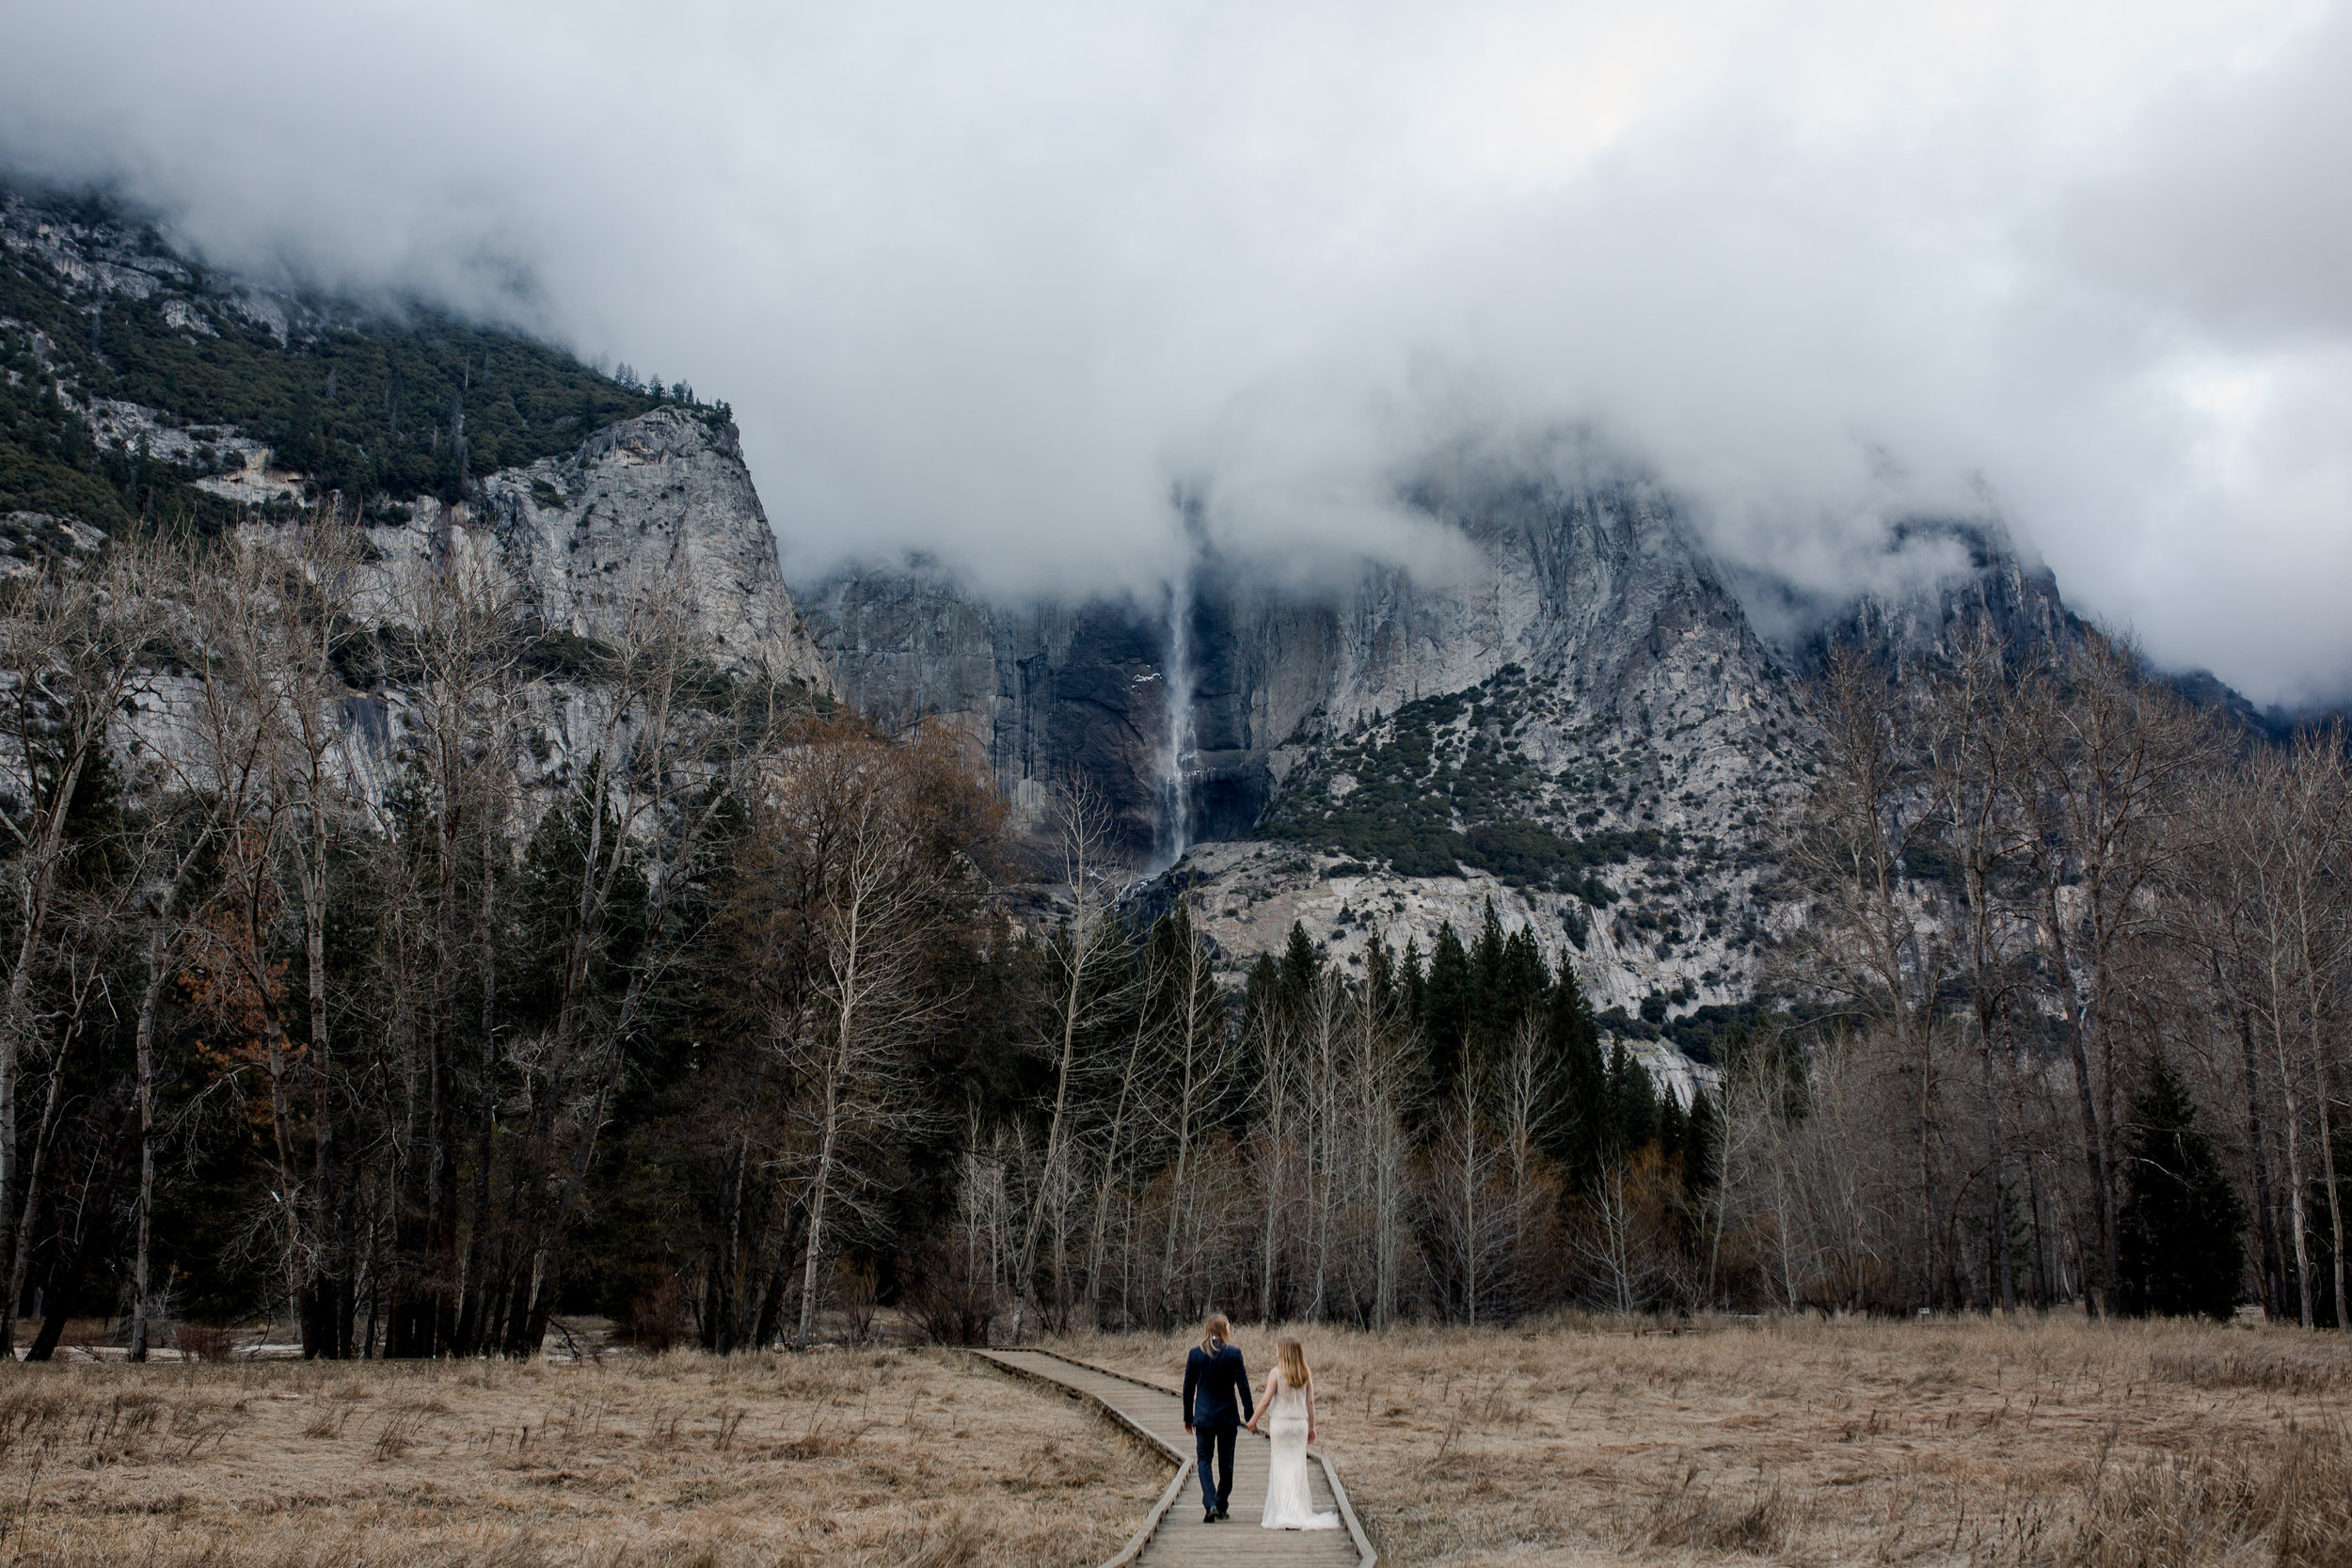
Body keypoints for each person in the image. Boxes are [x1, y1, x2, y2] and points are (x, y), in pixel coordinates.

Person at [1245, 1335, 1340, 1530]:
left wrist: (1253, 1422)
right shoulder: (1305, 1373)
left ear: (1284, 1351)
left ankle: (1284, 1512)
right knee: (1297, 1467)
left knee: (1280, 1466)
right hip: (1299, 1425)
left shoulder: (1276, 1373)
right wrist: (1312, 1427)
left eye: (1278, 1348)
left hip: (1281, 1425)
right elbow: (1310, 1403)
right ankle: (1297, 1510)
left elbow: (1265, 1401)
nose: (1276, 1351)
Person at [1181, 1313, 1252, 1523]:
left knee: (1204, 1460)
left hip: (1203, 1417)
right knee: (1226, 1464)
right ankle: (1220, 1504)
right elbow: (1243, 1386)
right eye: (1228, 1326)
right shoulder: (1233, 1354)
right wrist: (1250, 1416)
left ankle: (1211, 1503)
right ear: (1222, 1329)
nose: (1230, 1329)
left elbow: (1188, 1388)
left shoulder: (1195, 1354)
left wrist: (1188, 1416)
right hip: (1227, 1418)